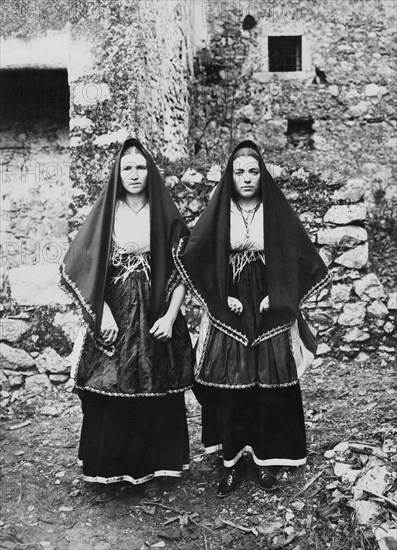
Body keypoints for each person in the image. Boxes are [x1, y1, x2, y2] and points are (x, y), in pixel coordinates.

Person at [173, 140, 331, 497]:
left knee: (266, 382)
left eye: (253, 172)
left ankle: (264, 458)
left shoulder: (274, 211)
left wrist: (278, 295)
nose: (246, 178)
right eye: (239, 172)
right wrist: (220, 294)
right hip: (229, 306)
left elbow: (298, 255)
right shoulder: (219, 213)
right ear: (230, 175)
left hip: (267, 304)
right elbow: (197, 256)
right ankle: (230, 461)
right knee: (231, 382)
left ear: (262, 176)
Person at [60, 138, 194, 503]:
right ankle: (109, 470)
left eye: (141, 167)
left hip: (156, 308)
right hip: (115, 306)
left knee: (154, 378)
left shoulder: (164, 212)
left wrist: (169, 316)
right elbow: (82, 264)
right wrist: (101, 312)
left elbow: (183, 270)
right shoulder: (107, 212)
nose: (135, 174)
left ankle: (152, 467)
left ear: (150, 172)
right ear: (118, 174)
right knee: (111, 382)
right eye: (127, 168)